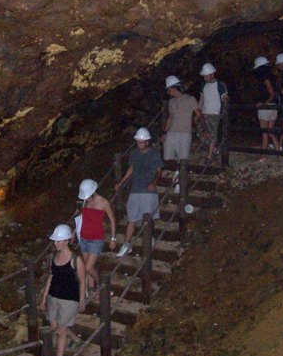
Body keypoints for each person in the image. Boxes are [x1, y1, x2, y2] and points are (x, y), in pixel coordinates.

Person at [40, 224, 86, 356]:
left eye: (58, 241)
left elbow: (82, 280)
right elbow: (51, 277)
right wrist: (44, 299)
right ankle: (75, 338)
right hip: (54, 296)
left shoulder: (75, 259)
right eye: (55, 241)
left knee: (60, 331)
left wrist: (82, 299)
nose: (55, 243)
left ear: (66, 241)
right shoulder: (54, 257)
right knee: (54, 326)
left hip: (69, 299)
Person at [114, 127, 164, 257]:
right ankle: (126, 244)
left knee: (148, 218)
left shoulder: (154, 154)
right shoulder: (134, 153)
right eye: (138, 141)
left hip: (148, 190)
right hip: (135, 189)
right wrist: (121, 182)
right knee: (131, 218)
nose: (139, 144)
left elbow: (159, 171)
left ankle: (150, 238)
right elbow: (131, 168)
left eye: (141, 142)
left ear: (147, 142)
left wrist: (154, 183)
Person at [76, 179, 116, 292]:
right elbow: (82, 218)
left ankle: (102, 284)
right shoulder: (85, 202)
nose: (86, 198)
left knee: (88, 268)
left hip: (96, 239)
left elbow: (112, 219)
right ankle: (92, 288)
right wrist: (75, 232)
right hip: (84, 237)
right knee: (87, 267)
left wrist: (113, 238)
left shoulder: (103, 202)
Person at [162, 75, 200, 166]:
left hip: (185, 133)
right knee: (167, 158)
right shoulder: (171, 102)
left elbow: (198, 113)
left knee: (183, 160)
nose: (168, 92)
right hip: (171, 133)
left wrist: (196, 118)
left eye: (169, 89)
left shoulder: (190, 99)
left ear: (174, 88)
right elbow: (170, 117)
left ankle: (180, 177)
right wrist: (164, 133)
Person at [198, 63, 228, 164]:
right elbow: (201, 99)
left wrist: (225, 101)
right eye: (204, 76)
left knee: (212, 134)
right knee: (201, 133)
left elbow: (225, 97)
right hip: (204, 112)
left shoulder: (220, 85)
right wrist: (198, 111)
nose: (205, 78)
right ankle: (214, 149)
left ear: (212, 74)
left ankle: (209, 156)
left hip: (214, 113)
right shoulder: (203, 85)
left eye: (207, 75)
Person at [253, 56, 280, 155]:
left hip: (267, 107)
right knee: (270, 132)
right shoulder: (273, 77)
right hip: (273, 106)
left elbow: (271, 93)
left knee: (264, 132)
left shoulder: (265, 78)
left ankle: (262, 156)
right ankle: (278, 153)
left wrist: (264, 104)